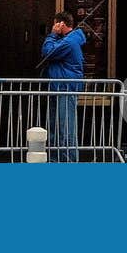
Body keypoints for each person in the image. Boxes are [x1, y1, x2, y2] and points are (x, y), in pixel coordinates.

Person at [40, 11, 86, 162]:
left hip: (65, 88)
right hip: (58, 87)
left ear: (61, 24)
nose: (54, 27)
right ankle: (56, 160)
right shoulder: (68, 40)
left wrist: (52, 35)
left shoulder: (68, 42)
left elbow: (47, 52)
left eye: (55, 24)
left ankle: (68, 163)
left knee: (66, 129)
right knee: (55, 128)